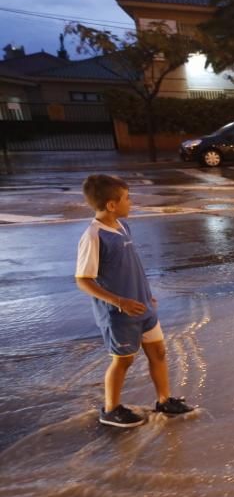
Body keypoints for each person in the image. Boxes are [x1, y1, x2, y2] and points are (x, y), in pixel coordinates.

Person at [75, 174, 195, 428]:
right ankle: (110, 410)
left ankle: (164, 400)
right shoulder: (94, 236)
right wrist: (120, 301)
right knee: (124, 360)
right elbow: (83, 280)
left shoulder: (122, 226)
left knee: (159, 352)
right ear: (111, 204)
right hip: (119, 314)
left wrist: (145, 293)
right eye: (127, 199)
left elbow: (129, 267)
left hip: (144, 306)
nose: (131, 203)